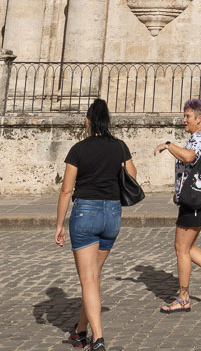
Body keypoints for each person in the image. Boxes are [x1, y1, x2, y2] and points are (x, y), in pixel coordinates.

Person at [52, 99, 135, 351]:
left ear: (88, 121)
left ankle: (97, 339)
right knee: (93, 278)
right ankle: (80, 331)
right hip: (112, 215)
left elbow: (67, 190)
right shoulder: (120, 147)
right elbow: (132, 177)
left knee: (88, 280)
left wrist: (59, 224)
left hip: (86, 213)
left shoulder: (78, 150)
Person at [153, 99, 201, 312]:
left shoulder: (198, 137)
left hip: (195, 199)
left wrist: (167, 145)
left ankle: (184, 298)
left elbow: (189, 156)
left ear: (198, 119)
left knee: (181, 248)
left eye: (188, 117)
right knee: (187, 246)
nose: (184, 120)